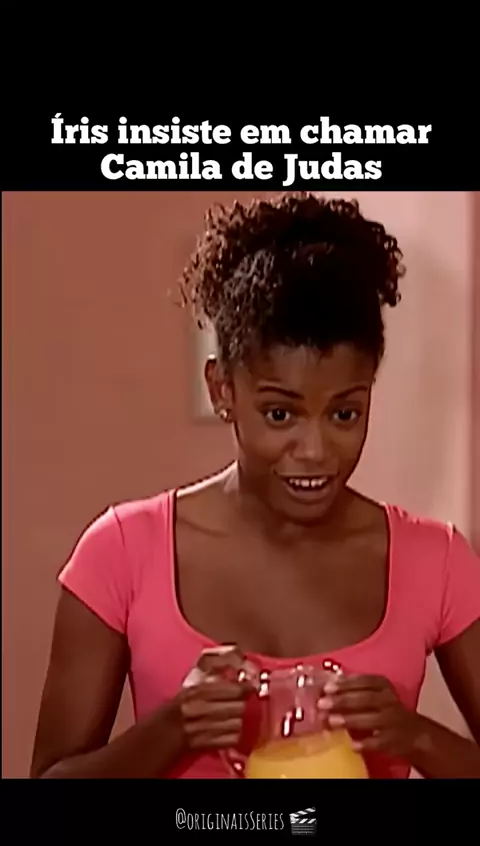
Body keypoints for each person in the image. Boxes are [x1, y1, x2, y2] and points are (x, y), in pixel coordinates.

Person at [31, 193, 480, 780]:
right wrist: (172, 729)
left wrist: (416, 737)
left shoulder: (437, 561)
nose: (315, 451)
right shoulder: (120, 554)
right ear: (222, 390)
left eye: (344, 413)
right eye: (280, 414)